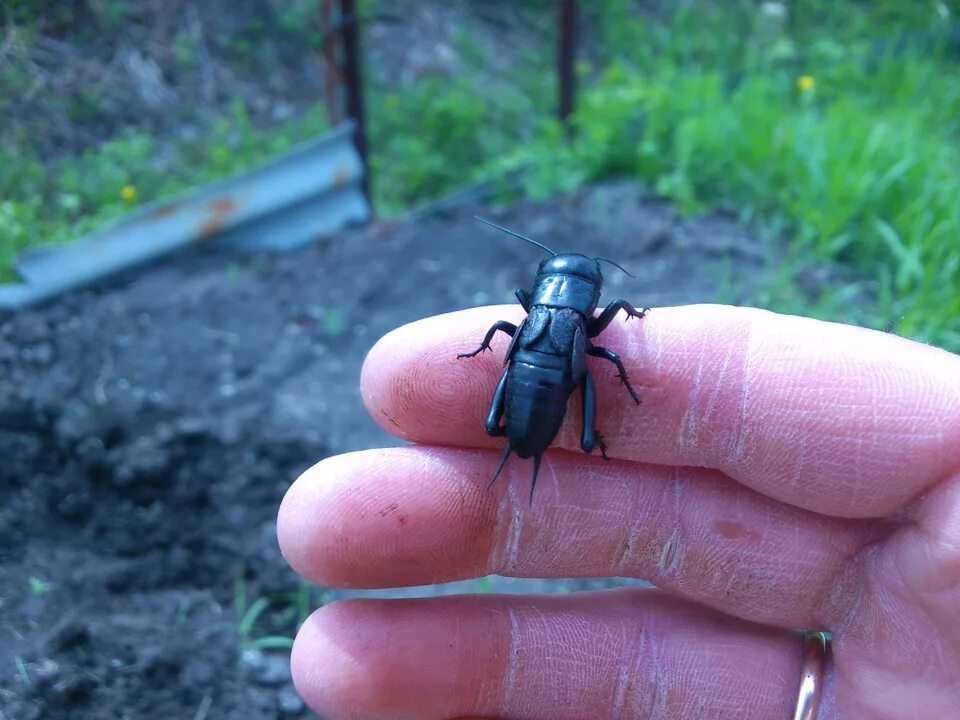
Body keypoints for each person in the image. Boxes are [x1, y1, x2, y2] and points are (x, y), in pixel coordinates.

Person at [277, 304, 960, 719]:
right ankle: (577, 435)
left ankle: (551, 435)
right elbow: (595, 341)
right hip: (554, 388)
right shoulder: (585, 324)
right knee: (592, 374)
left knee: (562, 392)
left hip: (532, 390)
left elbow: (508, 328)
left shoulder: (532, 316)